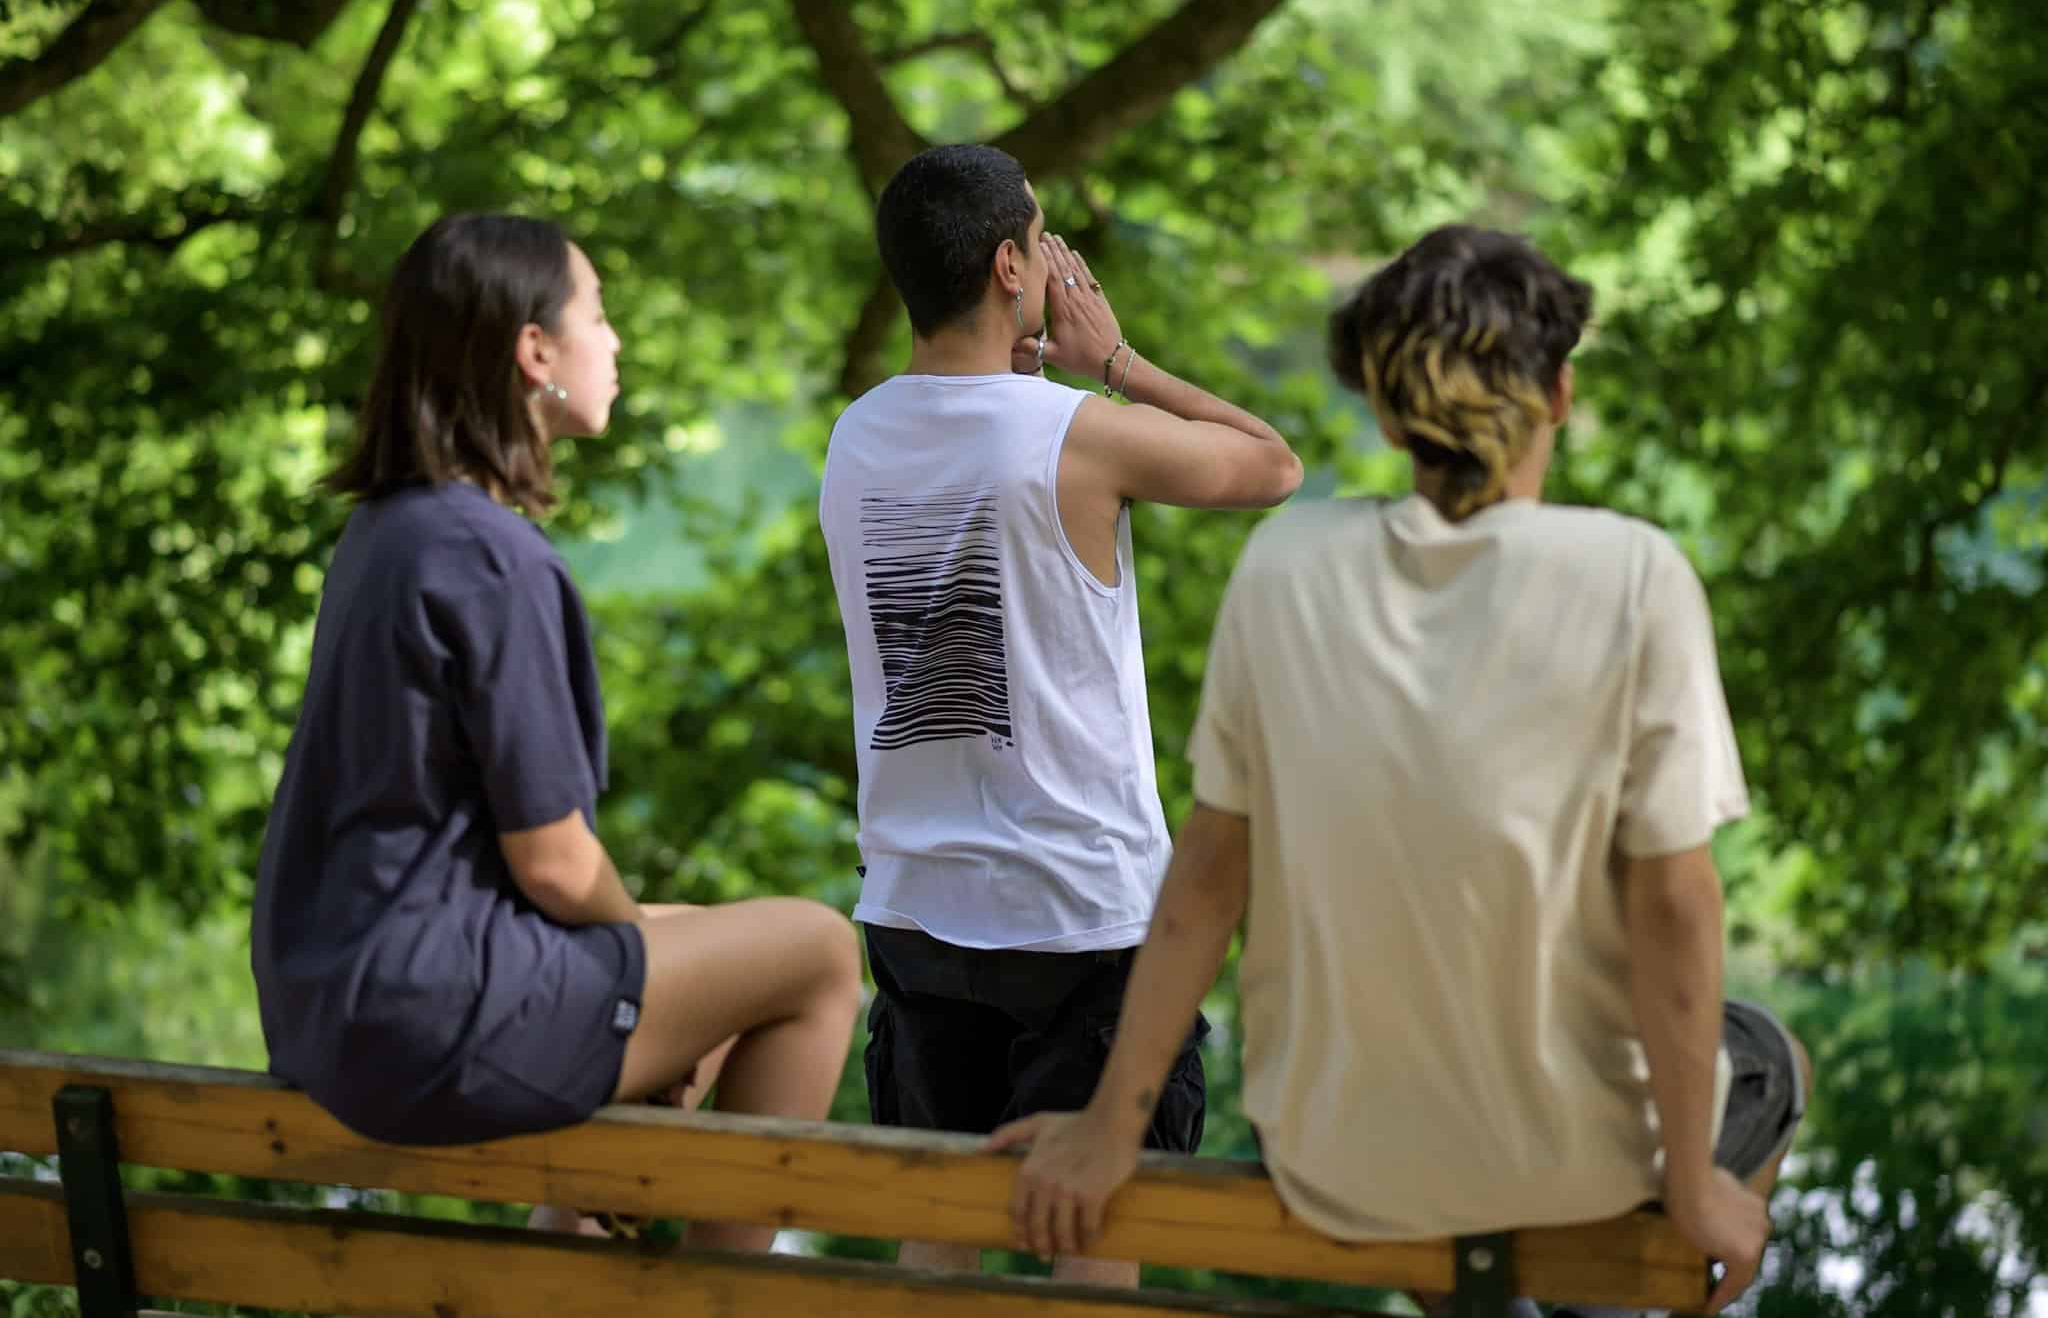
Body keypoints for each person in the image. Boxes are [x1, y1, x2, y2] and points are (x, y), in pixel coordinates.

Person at [992, 224, 1813, 1317]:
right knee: (1768, 1053)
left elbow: (1205, 884)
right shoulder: (1634, 576)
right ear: (1559, 394)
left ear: (1384, 415)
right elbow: (1675, 907)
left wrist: (1110, 1127)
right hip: (1571, 1159)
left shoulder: (1285, 565)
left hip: (1335, 1155)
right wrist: (1695, 1186)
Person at [250, 213, 863, 1252]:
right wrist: (632, 953)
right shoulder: (495, 556)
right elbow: (555, 862)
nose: (614, 342)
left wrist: (640, 958)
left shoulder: (384, 532)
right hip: (431, 1016)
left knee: (695, 945)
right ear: (535, 351)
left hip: (328, 1006)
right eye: (598, 315)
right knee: (818, 949)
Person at [818, 143, 1303, 1286]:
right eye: (1040, 244)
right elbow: (1272, 465)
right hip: (1079, 914)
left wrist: (1027, 379)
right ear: (1007, 267)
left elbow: (971, 447)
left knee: (935, 1242)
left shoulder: (856, 436)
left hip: (916, 908)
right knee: (1094, 1248)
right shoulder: (1076, 431)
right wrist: (1115, 361)